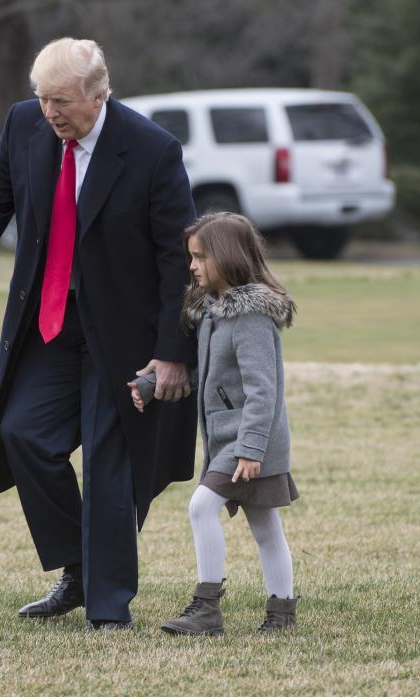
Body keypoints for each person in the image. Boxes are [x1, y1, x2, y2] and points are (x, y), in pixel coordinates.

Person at [0, 38, 197, 630]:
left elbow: (179, 261)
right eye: (42, 99)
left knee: (107, 461)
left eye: (61, 101)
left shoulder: (151, 151)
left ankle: (108, 607)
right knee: (24, 435)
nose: (49, 113)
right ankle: (78, 565)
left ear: (99, 95)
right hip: (50, 324)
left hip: (125, 337)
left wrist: (172, 354)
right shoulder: (24, 126)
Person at [130, 212, 300, 636]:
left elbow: (264, 391)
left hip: (247, 444)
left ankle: (207, 609)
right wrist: (153, 385)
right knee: (264, 527)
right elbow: (207, 377)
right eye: (191, 257)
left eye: (200, 257)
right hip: (231, 440)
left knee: (201, 507)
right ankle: (281, 615)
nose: (192, 266)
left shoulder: (250, 318)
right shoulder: (213, 313)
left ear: (227, 256)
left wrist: (251, 448)